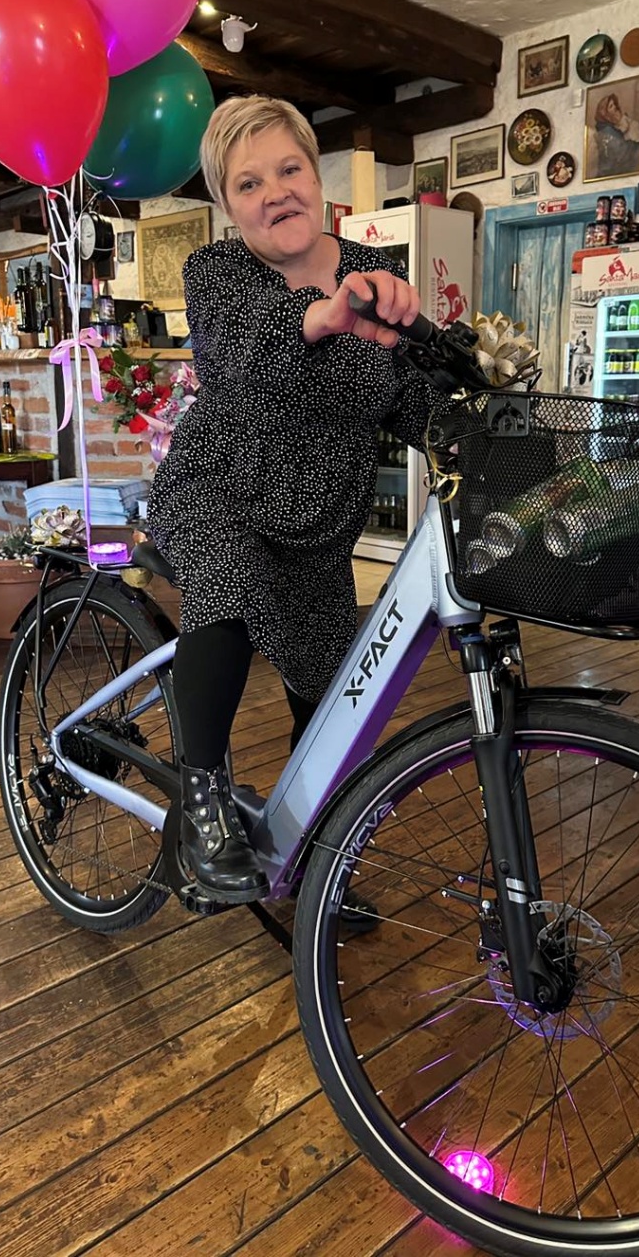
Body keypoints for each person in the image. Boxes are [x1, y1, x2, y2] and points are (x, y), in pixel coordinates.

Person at [147, 95, 449, 902]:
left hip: (319, 525)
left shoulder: (375, 270)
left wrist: (469, 413)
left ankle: (315, 856)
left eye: (289, 169)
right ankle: (203, 795)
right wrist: (323, 315)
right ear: (228, 205)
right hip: (218, 491)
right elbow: (241, 355)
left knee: (328, 700)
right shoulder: (217, 272)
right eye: (249, 184)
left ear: (317, 178)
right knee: (228, 578)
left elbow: (405, 397)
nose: (275, 192)